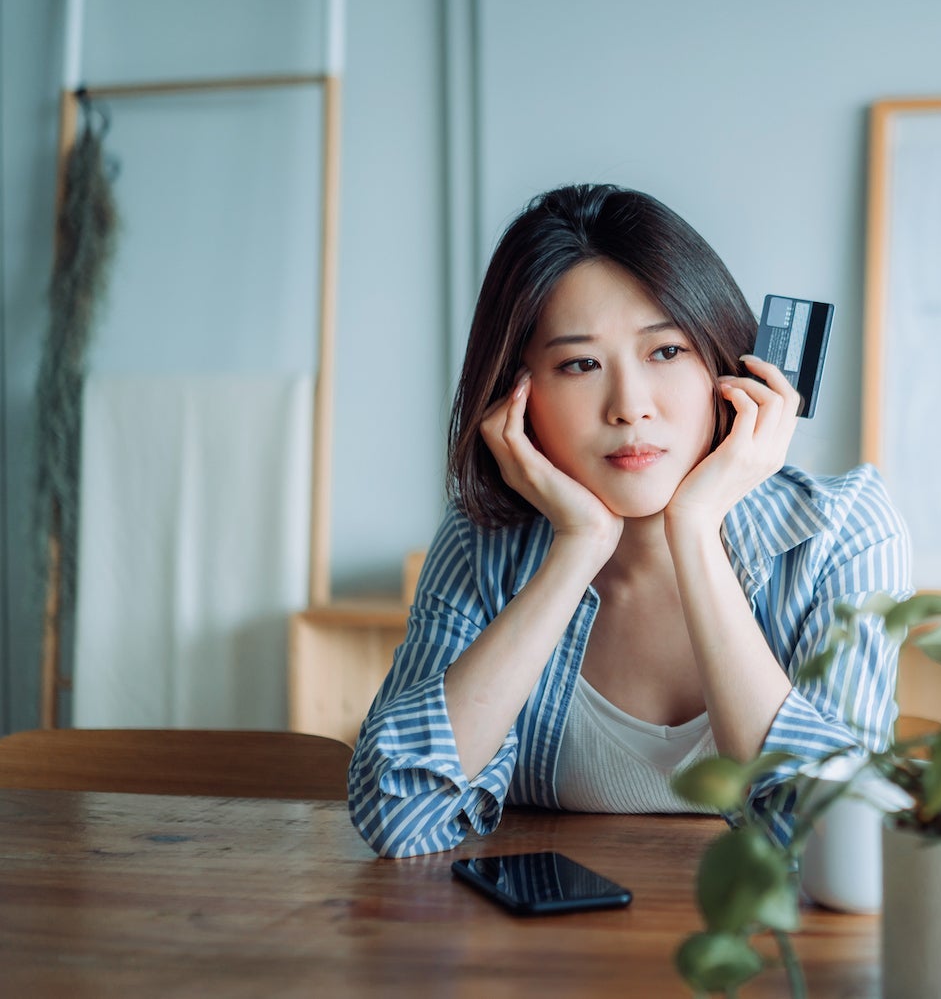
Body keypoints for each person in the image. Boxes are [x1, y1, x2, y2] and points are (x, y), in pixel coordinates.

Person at [348, 183, 911, 858]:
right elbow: (398, 815)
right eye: (581, 363)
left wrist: (696, 528)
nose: (630, 405)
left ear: (726, 359)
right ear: (517, 396)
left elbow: (830, 843)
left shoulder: (841, 532)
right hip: (536, 955)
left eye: (666, 351)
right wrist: (575, 548)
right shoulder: (482, 541)